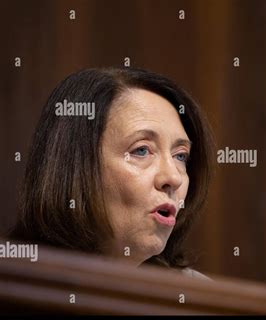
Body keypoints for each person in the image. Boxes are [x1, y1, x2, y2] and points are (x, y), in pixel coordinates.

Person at [9, 67, 214, 280]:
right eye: (141, 150)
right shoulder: (14, 286)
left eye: (180, 156)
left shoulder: (194, 292)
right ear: (76, 167)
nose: (173, 178)